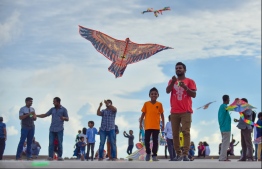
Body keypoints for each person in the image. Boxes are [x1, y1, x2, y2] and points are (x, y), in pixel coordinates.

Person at [166, 62, 197, 161]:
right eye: (176, 68)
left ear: (185, 70)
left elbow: (194, 95)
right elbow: (167, 91)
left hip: (186, 111)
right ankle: (178, 154)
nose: (178, 69)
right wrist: (172, 82)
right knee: (175, 133)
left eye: (180, 68)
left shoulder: (190, 81)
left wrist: (185, 87)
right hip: (174, 111)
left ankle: (185, 154)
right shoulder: (172, 81)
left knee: (186, 132)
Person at [36, 97, 69, 161]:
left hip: (60, 129)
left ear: (58, 102)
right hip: (52, 129)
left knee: (60, 143)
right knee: (51, 143)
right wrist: (36, 115)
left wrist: (64, 118)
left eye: (54, 102)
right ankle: (50, 157)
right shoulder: (52, 109)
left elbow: (67, 119)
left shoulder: (64, 109)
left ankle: (59, 157)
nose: (53, 103)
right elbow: (45, 115)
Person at [139, 87, 165, 161]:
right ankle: (148, 153)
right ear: (149, 95)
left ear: (158, 95)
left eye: (155, 94)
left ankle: (154, 155)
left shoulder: (159, 104)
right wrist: (140, 123)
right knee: (146, 140)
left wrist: (163, 124)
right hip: (147, 126)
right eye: (152, 94)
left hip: (156, 126)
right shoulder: (146, 104)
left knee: (155, 141)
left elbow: (162, 115)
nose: (154, 95)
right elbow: (143, 114)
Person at [218, 95, 231, 161]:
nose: (229, 100)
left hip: (223, 127)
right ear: (227, 99)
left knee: (224, 143)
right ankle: (223, 158)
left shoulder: (221, 106)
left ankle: (223, 157)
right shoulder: (224, 106)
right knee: (225, 144)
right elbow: (232, 108)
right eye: (229, 99)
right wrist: (236, 102)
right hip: (226, 128)